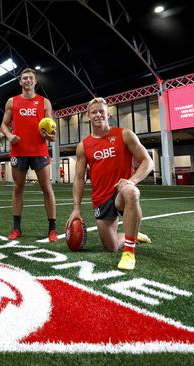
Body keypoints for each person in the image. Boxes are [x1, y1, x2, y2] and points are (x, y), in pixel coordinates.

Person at [66, 97, 153, 271]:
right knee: (111, 246)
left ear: (108, 114)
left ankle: (129, 251)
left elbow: (147, 161)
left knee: (132, 193)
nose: (98, 115)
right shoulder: (83, 146)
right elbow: (78, 178)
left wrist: (132, 181)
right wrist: (76, 208)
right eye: (94, 112)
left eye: (101, 111)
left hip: (121, 190)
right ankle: (133, 236)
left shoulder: (124, 134)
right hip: (101, 198)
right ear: (88, 117)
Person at [1, 68, 58, 242]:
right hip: (18, 151)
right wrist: (10, 136)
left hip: (39, 151)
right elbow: (3, 125)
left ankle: (52, 229)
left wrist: (50, 136)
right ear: (20, 82)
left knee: (46, 188)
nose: (27, 80)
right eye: (24, 78)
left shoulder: (44, 102)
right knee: (18, 189)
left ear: (35, 81)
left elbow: (51, 130)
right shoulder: (12, 102)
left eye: (30, 78)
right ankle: (16, 229)